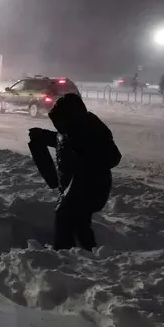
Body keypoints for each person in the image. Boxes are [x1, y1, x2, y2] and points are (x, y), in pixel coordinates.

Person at [28, 93, 121, 251]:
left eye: (59, 122)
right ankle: (88, 254)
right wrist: (42, 136)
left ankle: (65, 255)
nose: (58, 126)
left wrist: (86, 164)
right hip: (77, 185)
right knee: (79, 223)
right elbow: (63, 141)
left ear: (70, 117)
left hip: (90, 186)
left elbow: (113, 157)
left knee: (66, 217)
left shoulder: (89, 131)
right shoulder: (74, 129)